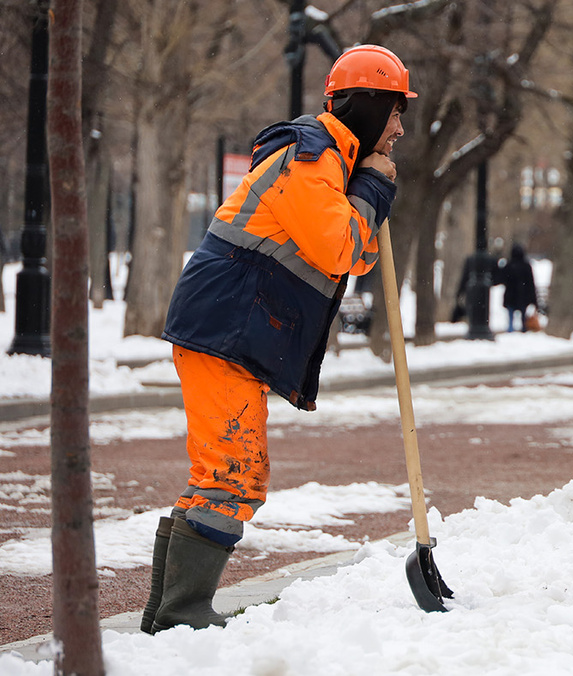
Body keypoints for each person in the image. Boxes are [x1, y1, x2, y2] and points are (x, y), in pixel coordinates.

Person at [140, 44, 415, 634]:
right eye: (394, 112)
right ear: (367, 107)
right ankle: (181, 617)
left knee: (230, 472)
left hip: (234, 329)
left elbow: (358, 255)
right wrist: (372, 188)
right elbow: (341, 246)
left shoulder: (337, 165)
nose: (399, 128)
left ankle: (168, 616)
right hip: (224, 328)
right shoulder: (311, 158)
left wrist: (367, 190)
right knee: (231, 473)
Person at [494, 242, 537, 332]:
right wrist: (533, 299)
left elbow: (500, 279)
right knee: (523, 314)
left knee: (510, 315)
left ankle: (510, 329)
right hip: (523, 295)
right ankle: (523, 329)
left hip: (510, 295)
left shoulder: (509, 265)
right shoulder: (526, 266)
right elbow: (531, 283)